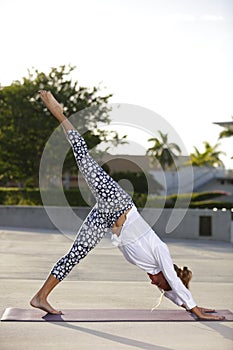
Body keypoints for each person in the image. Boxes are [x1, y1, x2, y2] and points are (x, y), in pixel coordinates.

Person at [30, 91, 224, 321]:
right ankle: (59, 113)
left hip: (105, 217)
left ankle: (40, 296)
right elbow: (172, 281)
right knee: (84, 159)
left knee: (75, 255)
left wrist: (188, 304)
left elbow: (171, 289)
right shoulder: (160, 251)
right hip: (117, 201)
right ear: (167, 274)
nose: (154, 283)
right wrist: (195, 309)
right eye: (159, 283)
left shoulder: (153, 272)